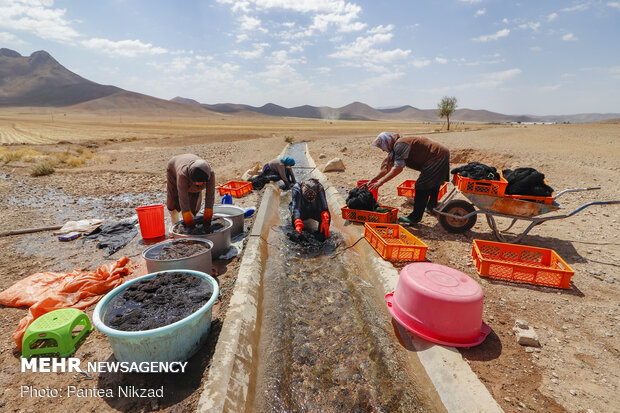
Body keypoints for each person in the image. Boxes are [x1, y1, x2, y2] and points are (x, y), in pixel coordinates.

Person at [366, 132, 450, 225]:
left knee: (421, 186)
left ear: (386, 142)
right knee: (433, 181)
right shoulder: (396, 147)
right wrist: (372, 181)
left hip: (437, 156)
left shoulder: (400, 145)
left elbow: (398, 169)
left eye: (382, 147)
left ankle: (415, 218)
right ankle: (431, 207)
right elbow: (386, 169)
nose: (382, 150)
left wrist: (380, 182)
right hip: (441, 153)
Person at [166, 154, 215, 228]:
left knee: (194, 207)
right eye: (197, 182)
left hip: (193, 175)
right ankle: (175, 227)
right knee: (173, 204)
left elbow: (210, 196)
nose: (199, 184)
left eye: (201, 183)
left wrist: (207, 219)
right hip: (174, 169)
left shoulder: (210, 173)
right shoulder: (183, 174)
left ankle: (191, 218)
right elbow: (183, 198)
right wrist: (189, 222)